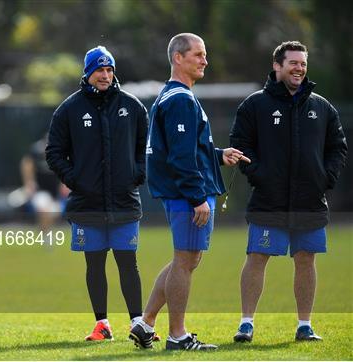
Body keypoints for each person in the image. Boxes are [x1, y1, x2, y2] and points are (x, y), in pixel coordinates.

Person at [128, 33, 249, 351]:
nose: (205, 60)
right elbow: (180, 158)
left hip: (183, 191)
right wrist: (197, 197)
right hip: (186, 195)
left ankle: (145, 322)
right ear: (178, 58)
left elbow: (188, 149)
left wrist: (219, 155)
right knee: (185, 260)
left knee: (185, 259)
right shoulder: (180, 99)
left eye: (204, 54)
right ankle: (177, 336)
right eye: (198, 54)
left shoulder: (173, 96)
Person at [229, 41, 347, 343]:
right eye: (293, 62)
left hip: (310, 200)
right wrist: (259, 175)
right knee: (257, 256)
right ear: (277, 66)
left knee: (306, 259)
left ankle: (304, 325)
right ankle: (246, 323)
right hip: (269, 199)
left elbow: (338, 148)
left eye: (303, 63)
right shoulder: (254, 105)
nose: (299, 68)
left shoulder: (322, 107)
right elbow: (240, 145)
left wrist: (325, 177)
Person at [46, 46, 152, 341]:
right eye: (99, 70)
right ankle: (102, 324)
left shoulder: (132, 106)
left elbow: (146, 145)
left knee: (127, 262)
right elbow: (53, 152)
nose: (105, 75)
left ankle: (138, 322)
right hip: (86, 202)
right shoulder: (69, 109)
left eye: (109, 70)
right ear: (88, 73)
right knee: (94, 264)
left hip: (124, 201)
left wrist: (137, 174)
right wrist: (74, 179)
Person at [18, 134, 68, 231]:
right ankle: (46, 237)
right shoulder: (36, 151)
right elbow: (26, 163)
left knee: (53, 215)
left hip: (56, 194)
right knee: (44, 210)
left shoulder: (61, 152)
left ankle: (44, 231)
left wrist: (65, 183)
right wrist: (29, 182)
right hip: (40, 190)